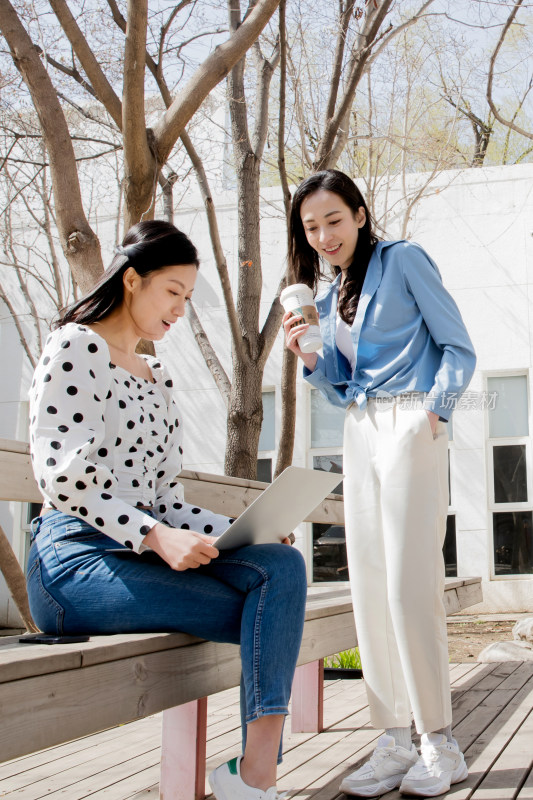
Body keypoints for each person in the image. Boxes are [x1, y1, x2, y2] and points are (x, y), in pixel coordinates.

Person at [27, 219, 307, 800]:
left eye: (187, 296)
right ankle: (254, 784)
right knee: (270, 620)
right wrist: (155, 537)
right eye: (172, 292)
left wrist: (243, 531)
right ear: (133, 280)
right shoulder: (77, 345)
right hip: (74, 562)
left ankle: (254, 776)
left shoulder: (157, 376)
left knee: (283, 568)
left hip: (143, 554)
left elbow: (167, 502)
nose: (180, 309)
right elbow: (63, 481)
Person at [283, 170, 476, 798]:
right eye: (311, 227)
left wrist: (435, 411)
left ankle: (439, 741)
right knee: (365, 582)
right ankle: (393, 738)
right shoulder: (334, 290)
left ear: (361, 215)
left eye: (334, 220)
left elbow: (458, 347)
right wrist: (312, 358)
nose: (324, 235)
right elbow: (341, 382)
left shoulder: (404, 260)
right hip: (360, 430)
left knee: (405, 583)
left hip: (410, 420)